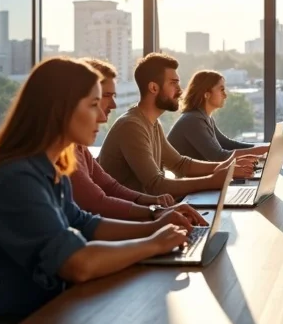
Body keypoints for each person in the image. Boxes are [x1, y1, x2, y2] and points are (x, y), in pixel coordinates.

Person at [0, 58, 207, 324]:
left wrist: (155, 223)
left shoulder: (51, 167)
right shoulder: (16, 179)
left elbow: (86, 223)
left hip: (51, 312)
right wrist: (153, 243)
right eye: (93, 105)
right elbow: (76, 263)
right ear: (60, 110)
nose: (102, 117)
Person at [98, 53, 256, 199]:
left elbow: (180, 164)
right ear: (154, 88)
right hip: (129, 220)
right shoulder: (131, 126)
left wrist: (226, 167)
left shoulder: (152, 123)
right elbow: (156, 185)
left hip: (148, 212)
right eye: (173, 84)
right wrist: (213, 180)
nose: (180, 91)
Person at [71, 58, 200, 222]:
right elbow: (97, 205)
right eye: (99, 100)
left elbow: (112, 188)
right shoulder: (131, 125)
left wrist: (154, 206)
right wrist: (154, 214)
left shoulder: (78, 148)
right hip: (114, 225)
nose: (112, 107)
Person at [167, 70, 270, 162]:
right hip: (183, 181)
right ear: (206, 94)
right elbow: (218, 156)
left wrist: (262, 148)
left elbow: (227, 144)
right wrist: (259, 151)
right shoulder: (192, 121)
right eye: (221, 90)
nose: (225, 95)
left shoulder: (205, 118)